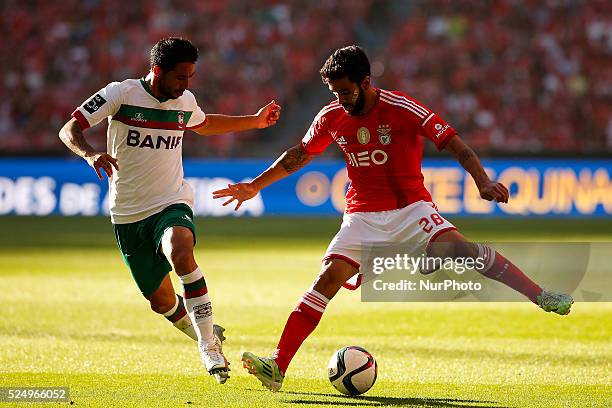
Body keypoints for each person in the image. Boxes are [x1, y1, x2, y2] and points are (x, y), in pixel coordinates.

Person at [212, 45, 573, 392]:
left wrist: (483, 181)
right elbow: (300, 154)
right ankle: (278, 366)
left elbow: (454, 143)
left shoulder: (401, 107)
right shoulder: (331, 116)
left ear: (366, 82)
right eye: (335, 93)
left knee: (466, 253)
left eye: (347, 92)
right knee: (326, 280)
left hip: (411, 210)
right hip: (361, 215)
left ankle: (540, 295)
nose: (341, 100)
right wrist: (255, 185)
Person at [58, 37, 281, 384]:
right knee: (161, 301)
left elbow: (205, 124)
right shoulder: (120, 94)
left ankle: (208, 344)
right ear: (158, 71)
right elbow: (69, 129)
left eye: (191, 77)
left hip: (171, 201)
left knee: (180, 248)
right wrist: (90, 153)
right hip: (129, 213)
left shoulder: (185, 101)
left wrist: (254, 121)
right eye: (180, 77)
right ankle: (206, 332)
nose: (186, 84)